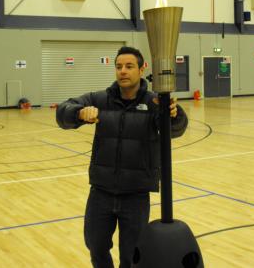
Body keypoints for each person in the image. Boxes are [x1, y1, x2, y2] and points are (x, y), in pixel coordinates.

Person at [56, 46, 188, 268]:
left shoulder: (155, 101)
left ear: (141, 68)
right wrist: (78, 113)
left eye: (129, 66)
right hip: (101, 193)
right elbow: (62, 112)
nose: (123, 71)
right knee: (96, 247)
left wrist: (174, 115)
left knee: (130, 255)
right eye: (118, 67)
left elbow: (176, 129)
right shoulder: (99, 99)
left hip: (135, 196)